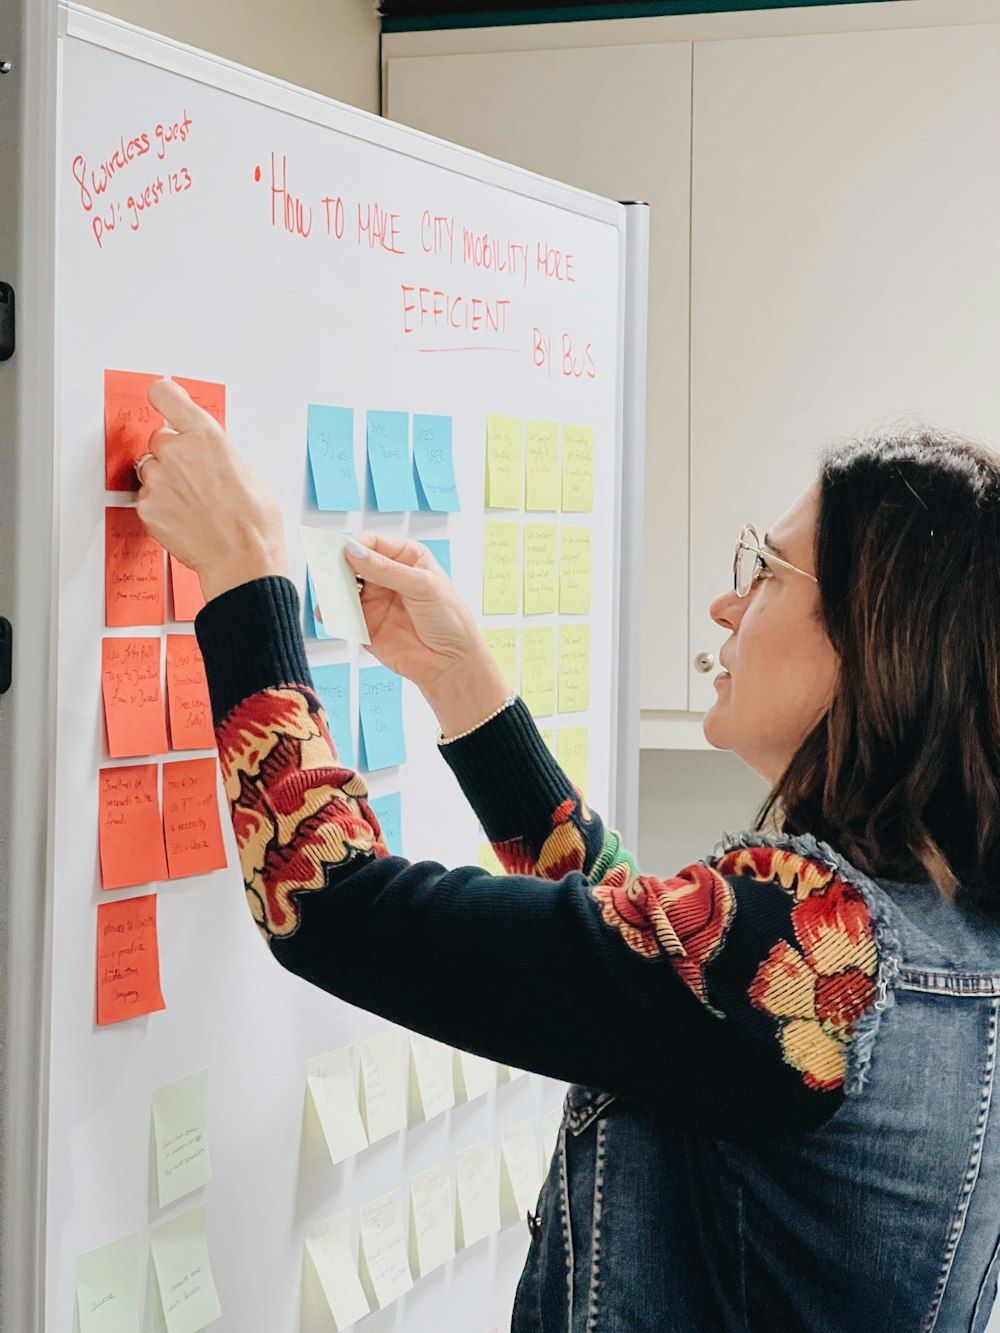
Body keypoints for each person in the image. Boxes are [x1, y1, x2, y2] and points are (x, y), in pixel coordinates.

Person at [134, 379, 1000, 1333]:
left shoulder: (802, 944)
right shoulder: (933, 937)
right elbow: (664, 969)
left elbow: (331, 903)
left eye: (765, 571)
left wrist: (248, 576)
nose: (726, 604)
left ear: (876, 640)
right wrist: (465, 685)